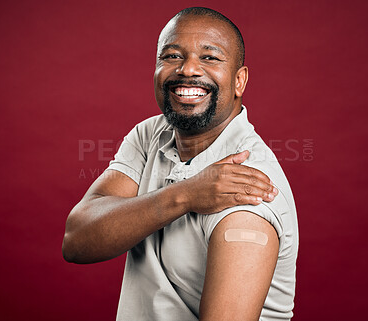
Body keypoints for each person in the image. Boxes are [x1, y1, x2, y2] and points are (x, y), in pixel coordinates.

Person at [62, 7, 298, 321]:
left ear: (239, 80)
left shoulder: (246, 189)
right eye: (172, 56)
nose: (187, 70)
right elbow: (77, 241)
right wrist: (185, 195)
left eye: (210, 57)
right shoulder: (151, 134)